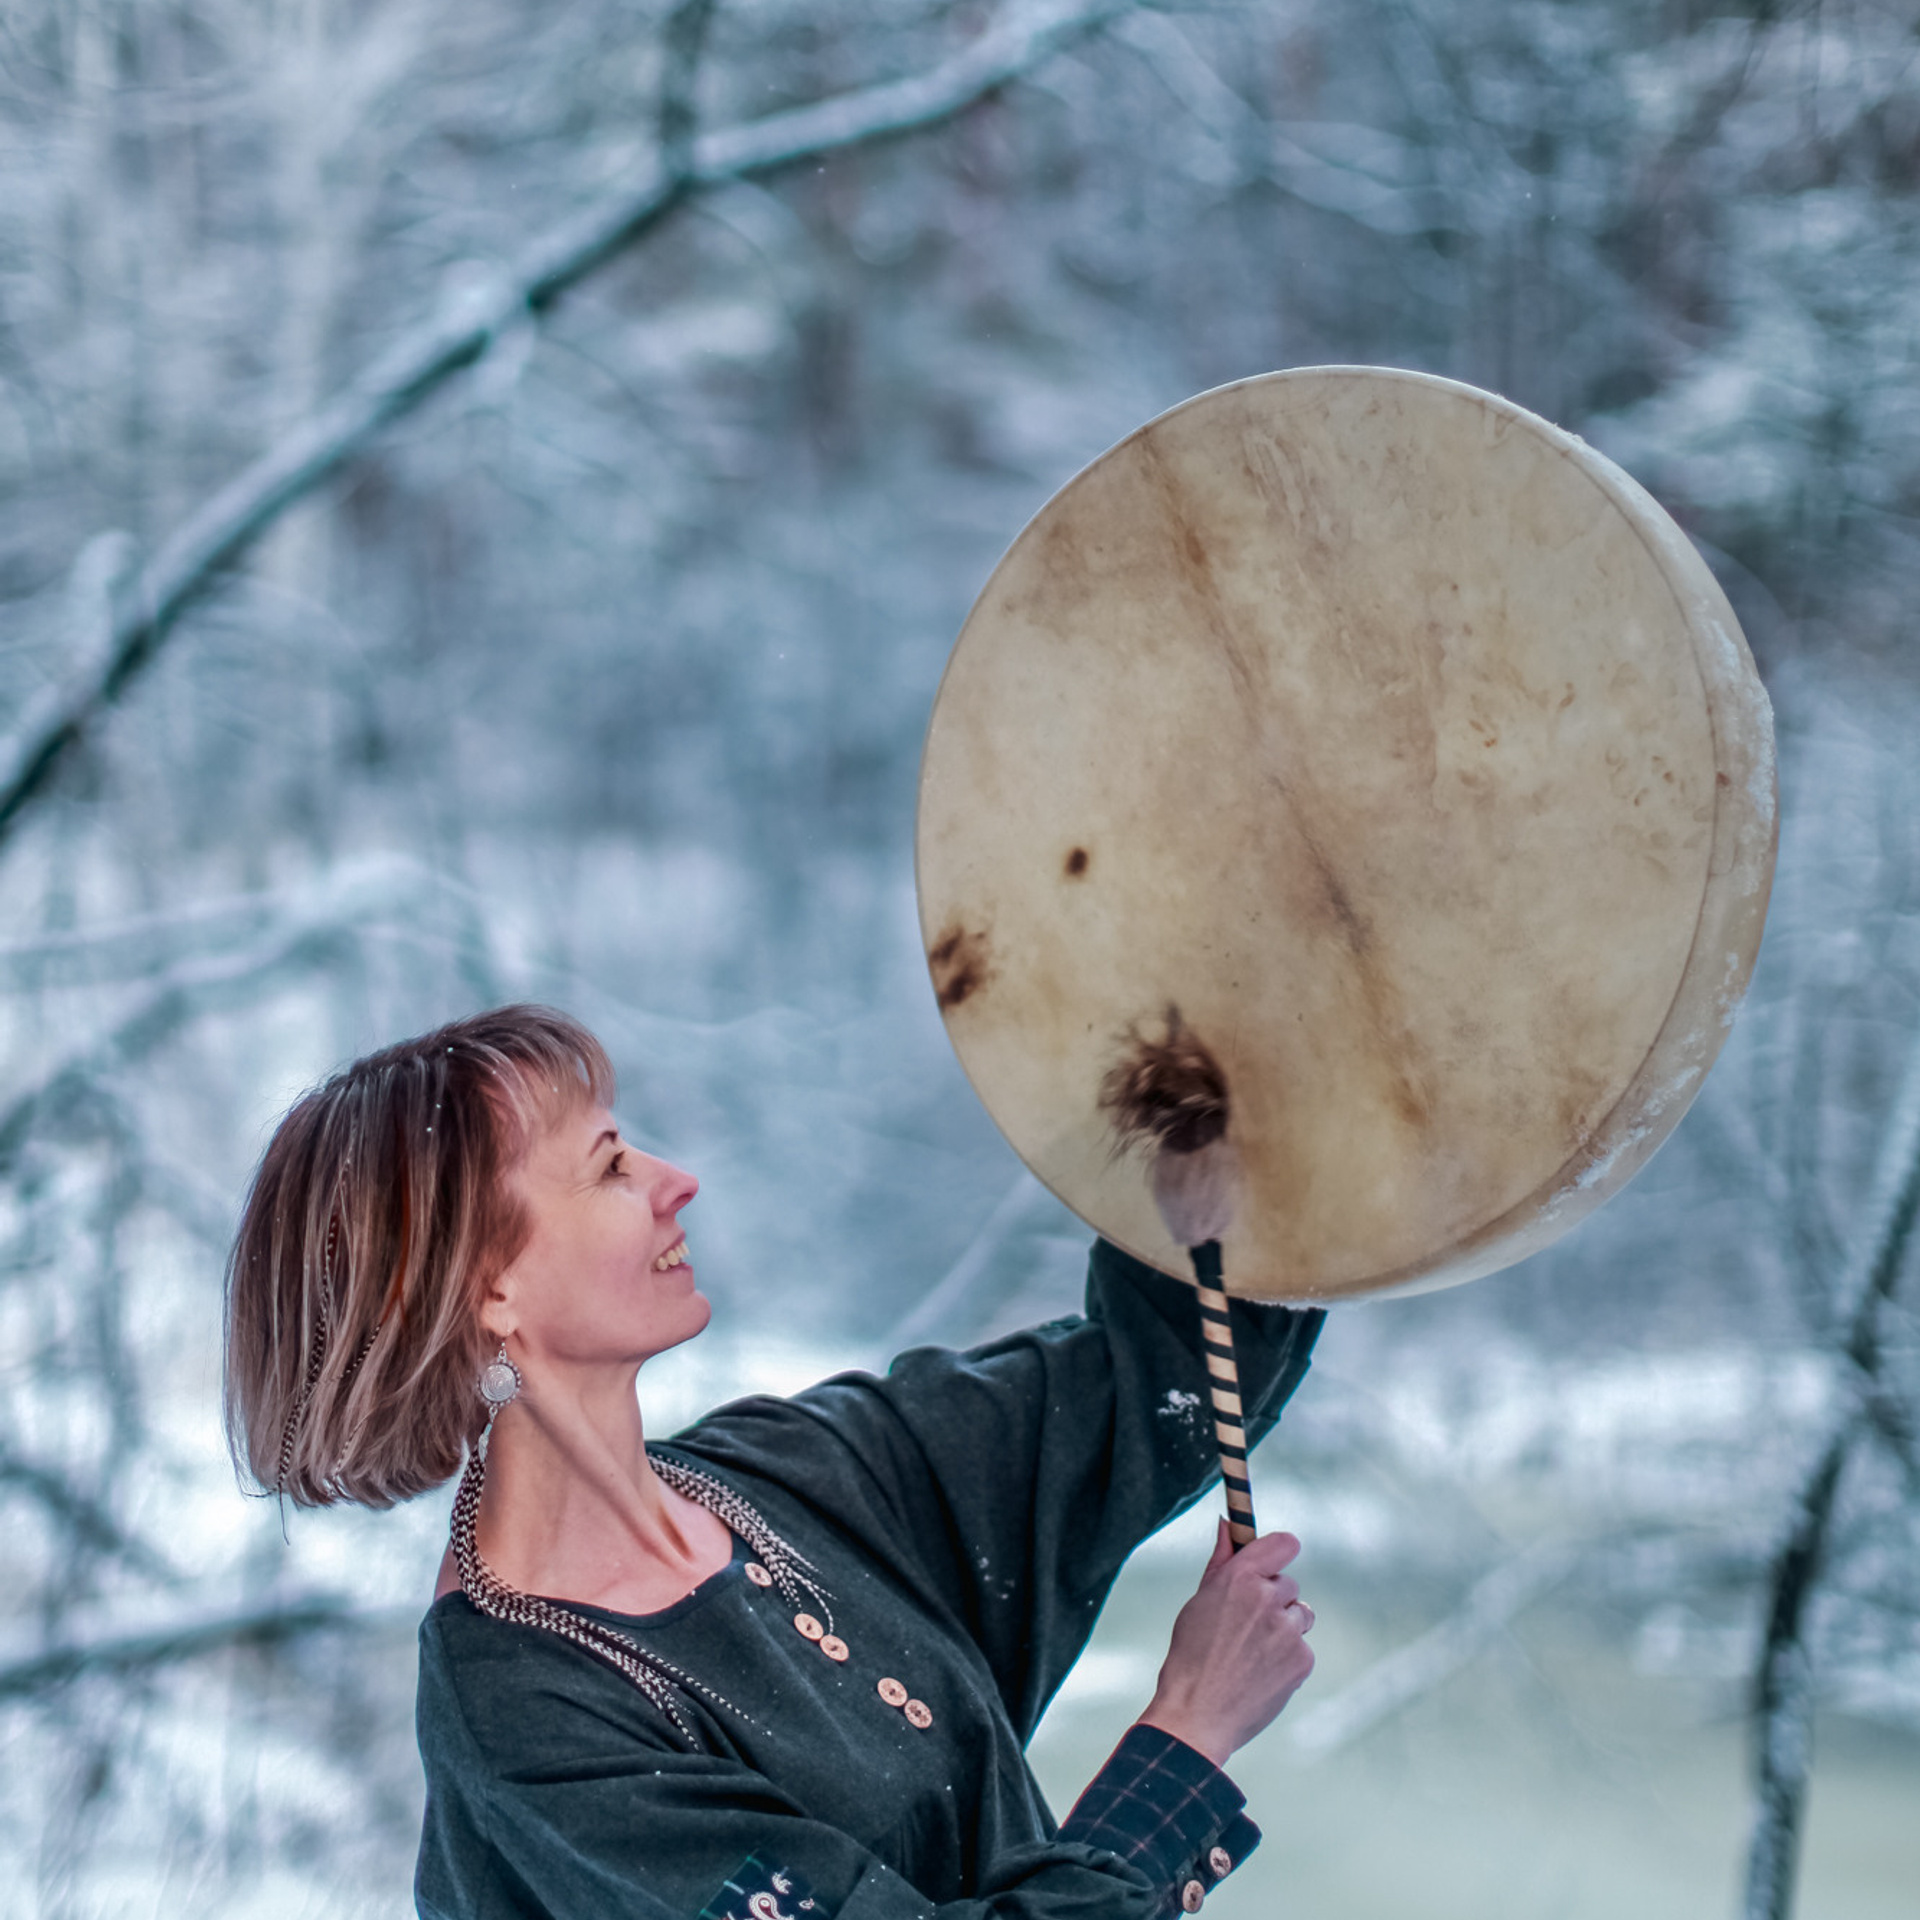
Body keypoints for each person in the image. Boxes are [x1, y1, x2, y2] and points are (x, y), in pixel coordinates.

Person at [224, 1005, 1324, 1920]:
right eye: (610, 1166)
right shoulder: (531, 1730)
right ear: (488, 1291)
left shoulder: (790, 1473)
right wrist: (1188, 1728)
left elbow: (1153, 1387)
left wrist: (1224, 1074)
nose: (674, 1179)